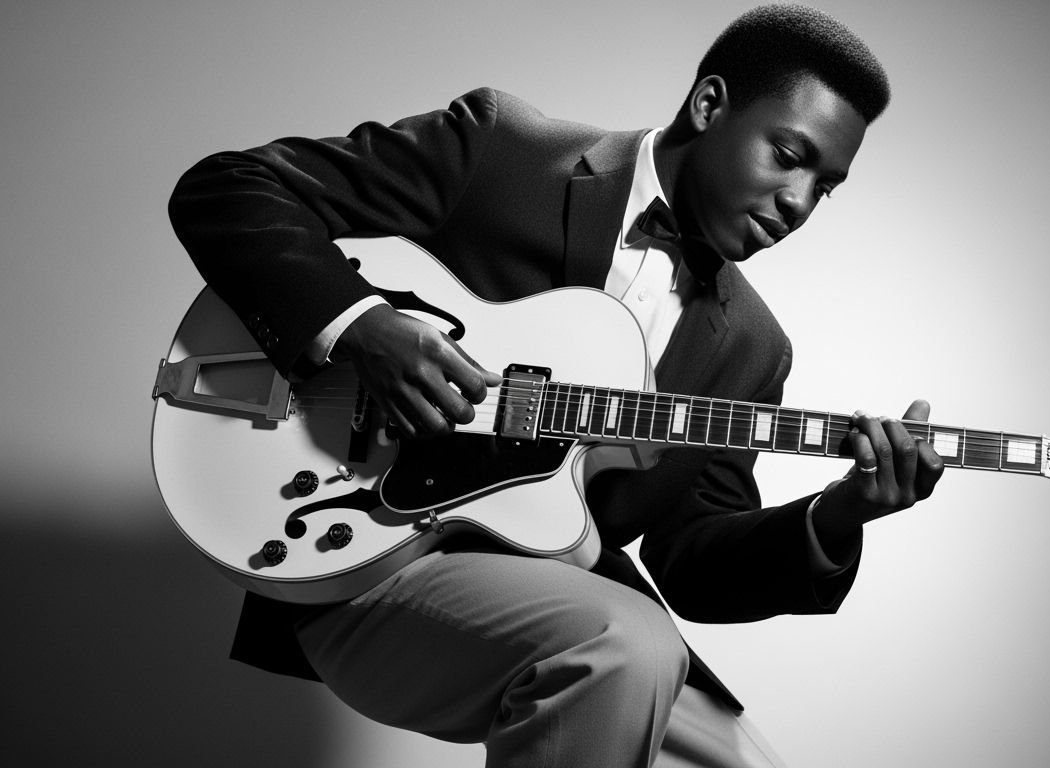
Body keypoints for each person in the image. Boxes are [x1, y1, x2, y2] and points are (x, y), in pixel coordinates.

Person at [168, 4, 944, 766]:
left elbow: (691, 566)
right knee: (629, 648)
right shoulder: (504, 151)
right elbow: (228, 190)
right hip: (360, 553)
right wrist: (360, 326)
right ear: (710, 106)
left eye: (827, 186)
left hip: (572, 595)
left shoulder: (752, 348)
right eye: (789, 155)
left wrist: (841, 515)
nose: (800, 203)